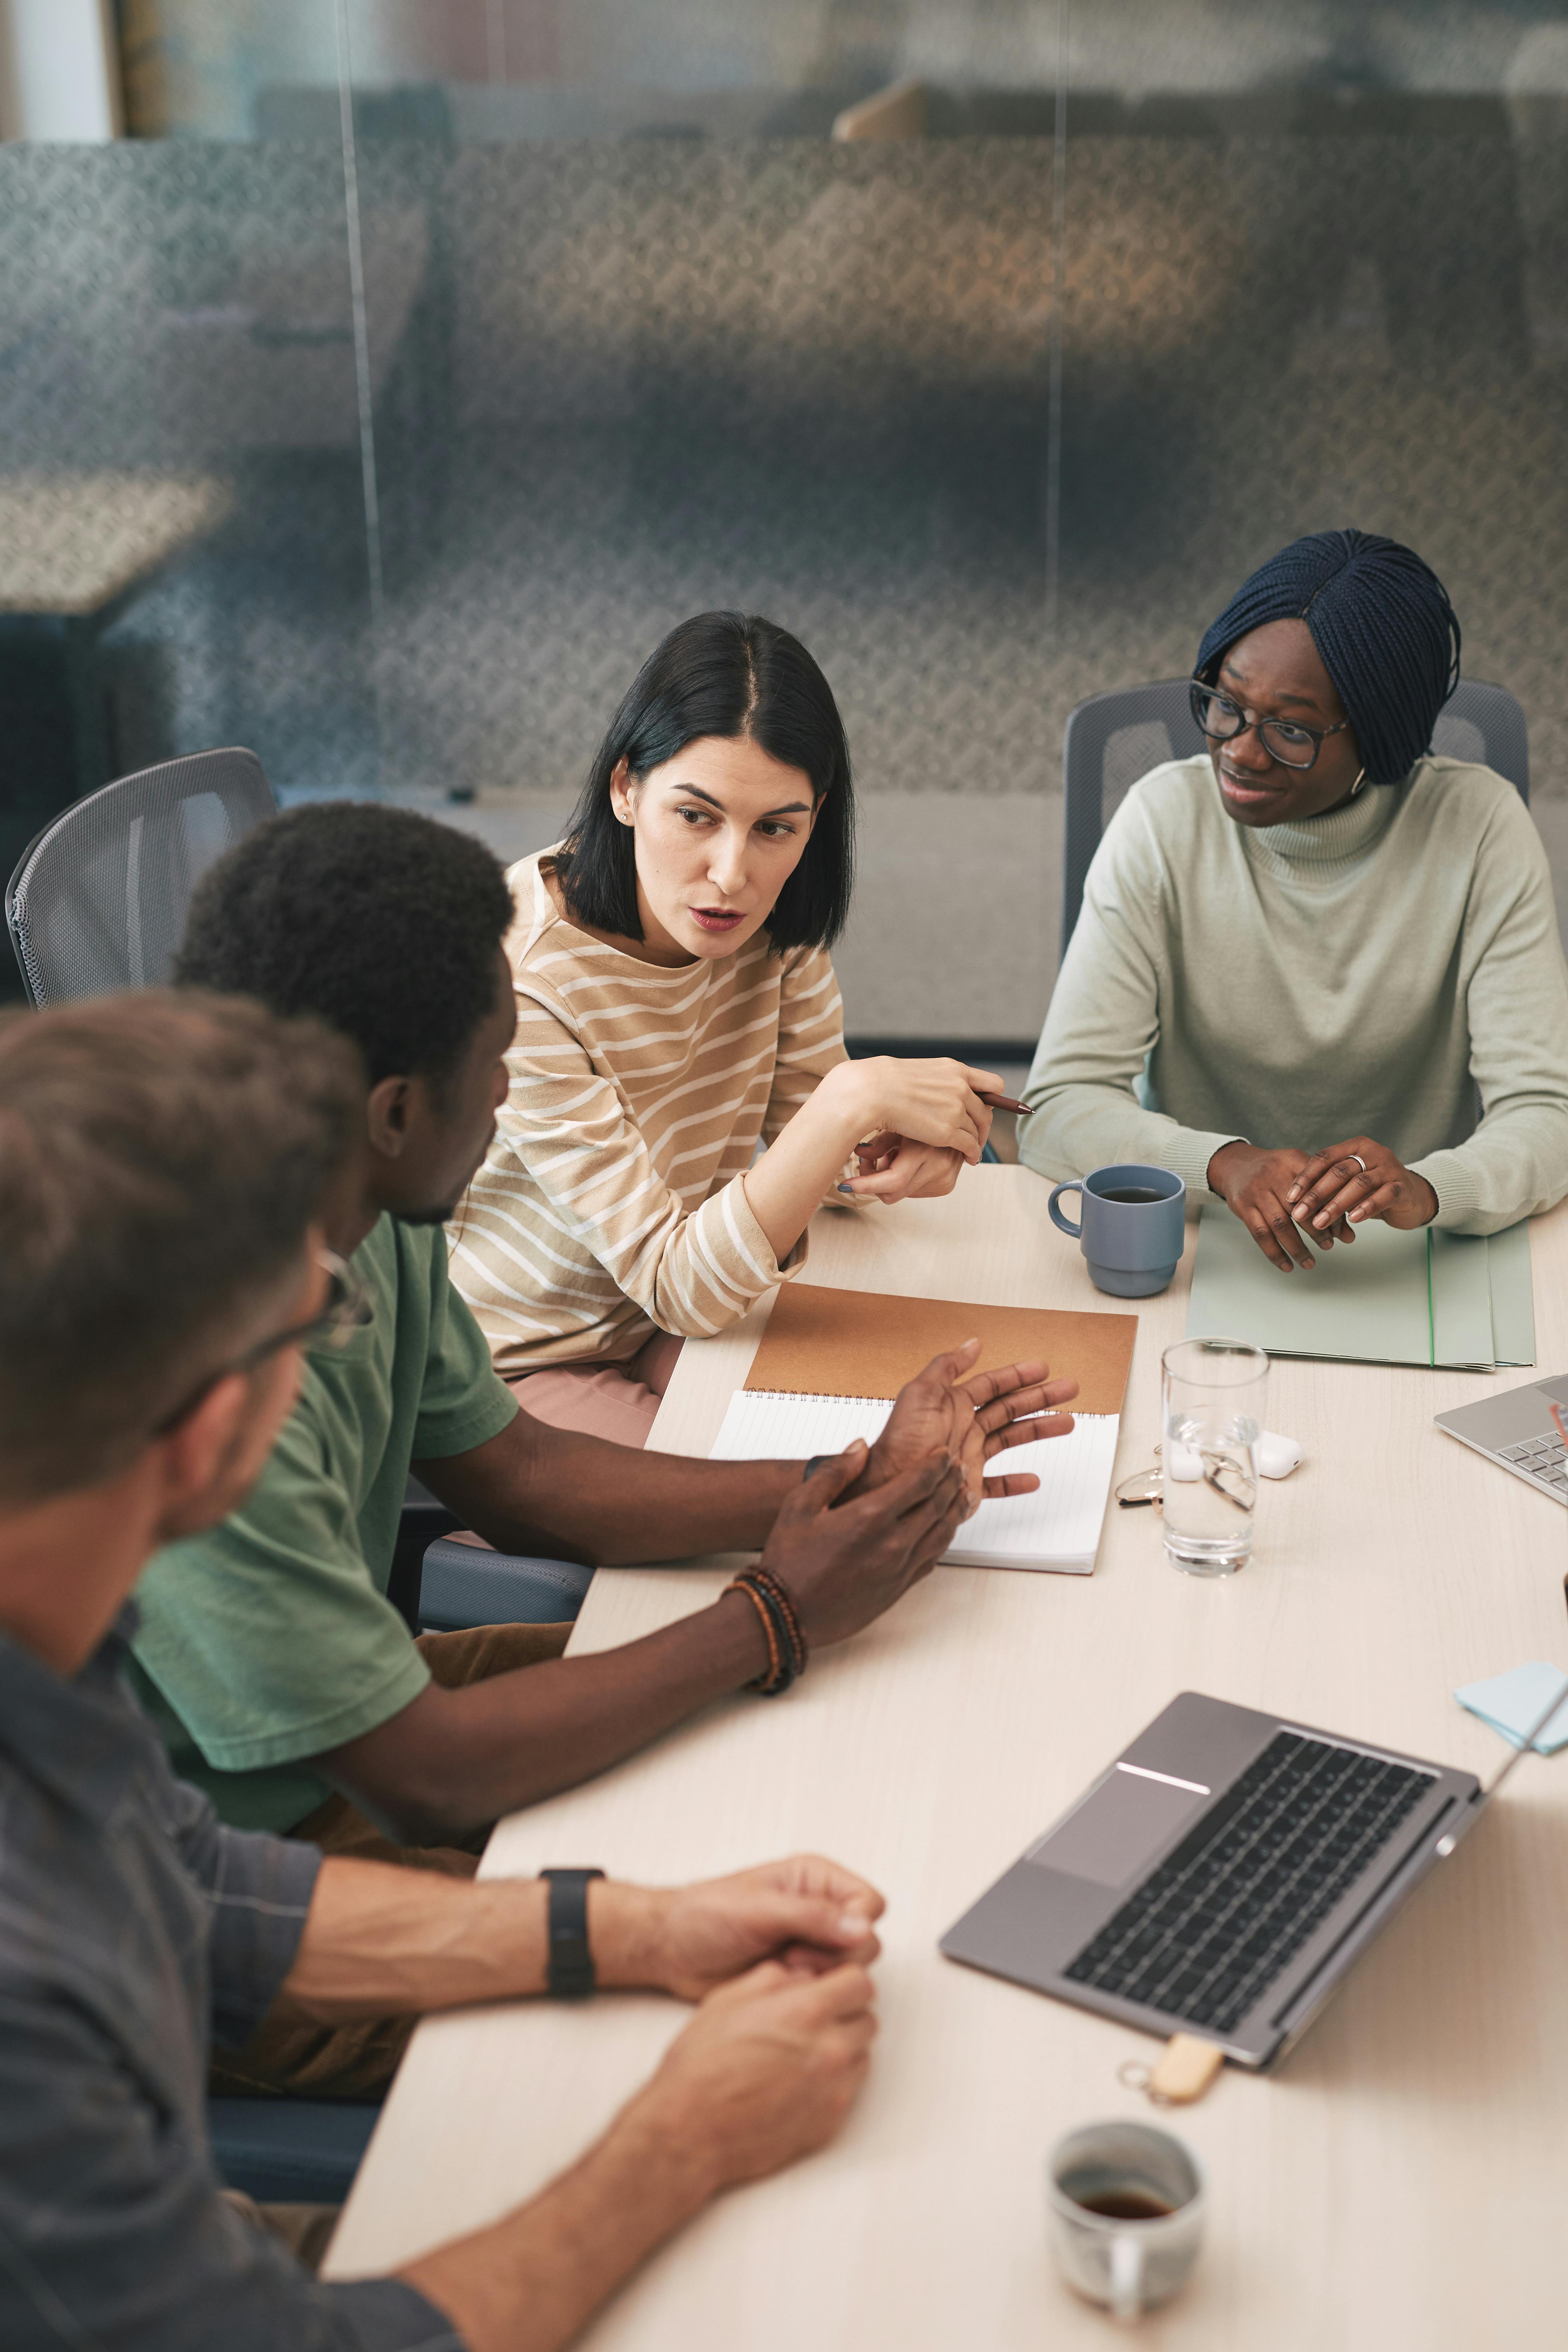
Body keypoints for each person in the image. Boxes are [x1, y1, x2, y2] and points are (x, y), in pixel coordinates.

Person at [132, 800, 1074, 2094]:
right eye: (501, 1061)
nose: (513, 1091)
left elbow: (518, 1475)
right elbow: (423, 1778)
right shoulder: (207, 1373)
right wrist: (773, 1615)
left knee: (813, 1760)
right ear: (400, 1108)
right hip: (216, 1901)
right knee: (737, 1994)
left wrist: (840, 1486)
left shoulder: (372, 1191)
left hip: (340, 1740)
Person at [0, 989, 888, 2352]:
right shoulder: (29, 2018)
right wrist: (681, 2137)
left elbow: (196, 1885)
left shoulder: (56, 1661)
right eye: (313, 1311)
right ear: (217, 1426)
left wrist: (635, 1930)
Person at [449, 609, 1011, 1441]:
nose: (732, 876)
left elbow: (813, 1161)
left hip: (670, 1315)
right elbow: (683, 1280)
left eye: (775, 829)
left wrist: (892, 1148)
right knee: (794, 1500)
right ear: (625, 788)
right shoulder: (523, 976)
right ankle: (486, 1561)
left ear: (813, 822)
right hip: (519, 1356)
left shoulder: (772, 935)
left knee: (914, 1424)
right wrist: (852, 1100)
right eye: (696, 816)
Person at [1020, 530, 1568, 1270]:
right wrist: (1221, 1163)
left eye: (1289, 730)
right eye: (1224, 705)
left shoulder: (1479, 829)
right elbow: (1058, 1107)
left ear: (1379, 735)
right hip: (1195, 1249)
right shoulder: (1162, 820)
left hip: (1412, 1259)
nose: (1240, 751)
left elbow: (1545, 1116)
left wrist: (1429, 1189)